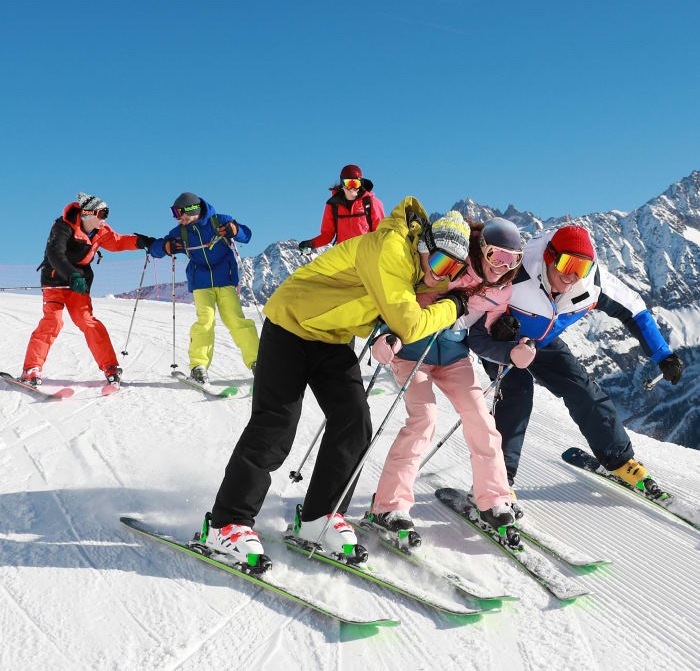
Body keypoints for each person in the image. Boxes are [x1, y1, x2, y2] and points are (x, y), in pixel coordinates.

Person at [199, 197, 472, 569]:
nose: (442, 275)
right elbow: (409, 322)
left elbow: (381, 304)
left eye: (453, 269)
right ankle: (226, 524)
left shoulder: (414, 265)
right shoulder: (391, 248)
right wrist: (452, 307)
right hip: (290, 325)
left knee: (354, 420)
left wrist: (385, 329)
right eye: (440, 263)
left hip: (331, 337)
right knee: (276, 423)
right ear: (424, 246)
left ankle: (320, 518)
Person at [481, 224, 684, 507]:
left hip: (541, 340)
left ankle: (619, 461)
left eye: (581, 267)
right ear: (550, 257)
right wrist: (490, 326)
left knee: (583, 389)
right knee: (517, 394)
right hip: (501, 341)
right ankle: (497, 484)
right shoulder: (519, 270)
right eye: (567, 263)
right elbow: (471, 290)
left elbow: (635, 310)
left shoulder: (593, 284)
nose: (572, 275)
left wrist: (663, 355)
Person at [366, 213, 534, 540]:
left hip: (454, 356)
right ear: (481, 249)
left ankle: (493, 499)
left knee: (481, 418)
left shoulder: (502, 291)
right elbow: (406, 303)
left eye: (511, 260)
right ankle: (388, 506)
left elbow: (480, 338)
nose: (502, 266)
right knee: (424, 420)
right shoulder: (452, 266)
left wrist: (511, 352)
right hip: (413, 353)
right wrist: (387, 336)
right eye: (496, 256)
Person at [20, 193, 154, 386]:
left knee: (87, 321)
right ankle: (31, 369)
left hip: (79, 283)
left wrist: (140, 242)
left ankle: (110, 366)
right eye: (102, 214)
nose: (105, 219)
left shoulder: (101, 231)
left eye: (106, 214)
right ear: (88, 214)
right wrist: (71, 274)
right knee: (53, 321)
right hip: (55, 280)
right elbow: (54, 253)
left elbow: (117, 241)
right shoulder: (64, 226)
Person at [149, 192, 259, 383]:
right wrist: (166, 246)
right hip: (200, 282)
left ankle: (258, 362)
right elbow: (155, 249)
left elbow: (246, 235)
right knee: (205, 321)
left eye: (179, 213)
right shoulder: (181, 232)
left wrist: (235, 229)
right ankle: (198, 366)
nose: (177, 218)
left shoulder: (220, 221)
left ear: (193, 209)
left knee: (236, 320)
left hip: (225, 280)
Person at [298, 164, 385, 252]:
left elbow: (381, 233)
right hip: (344, 255)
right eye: (348, 183)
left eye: (355, 183)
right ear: (342, 183)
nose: (352, 188)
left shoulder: (371, 203)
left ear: (361, 183)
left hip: (367, 254)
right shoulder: (333, 205)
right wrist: (311, 244)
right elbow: (327, 234)